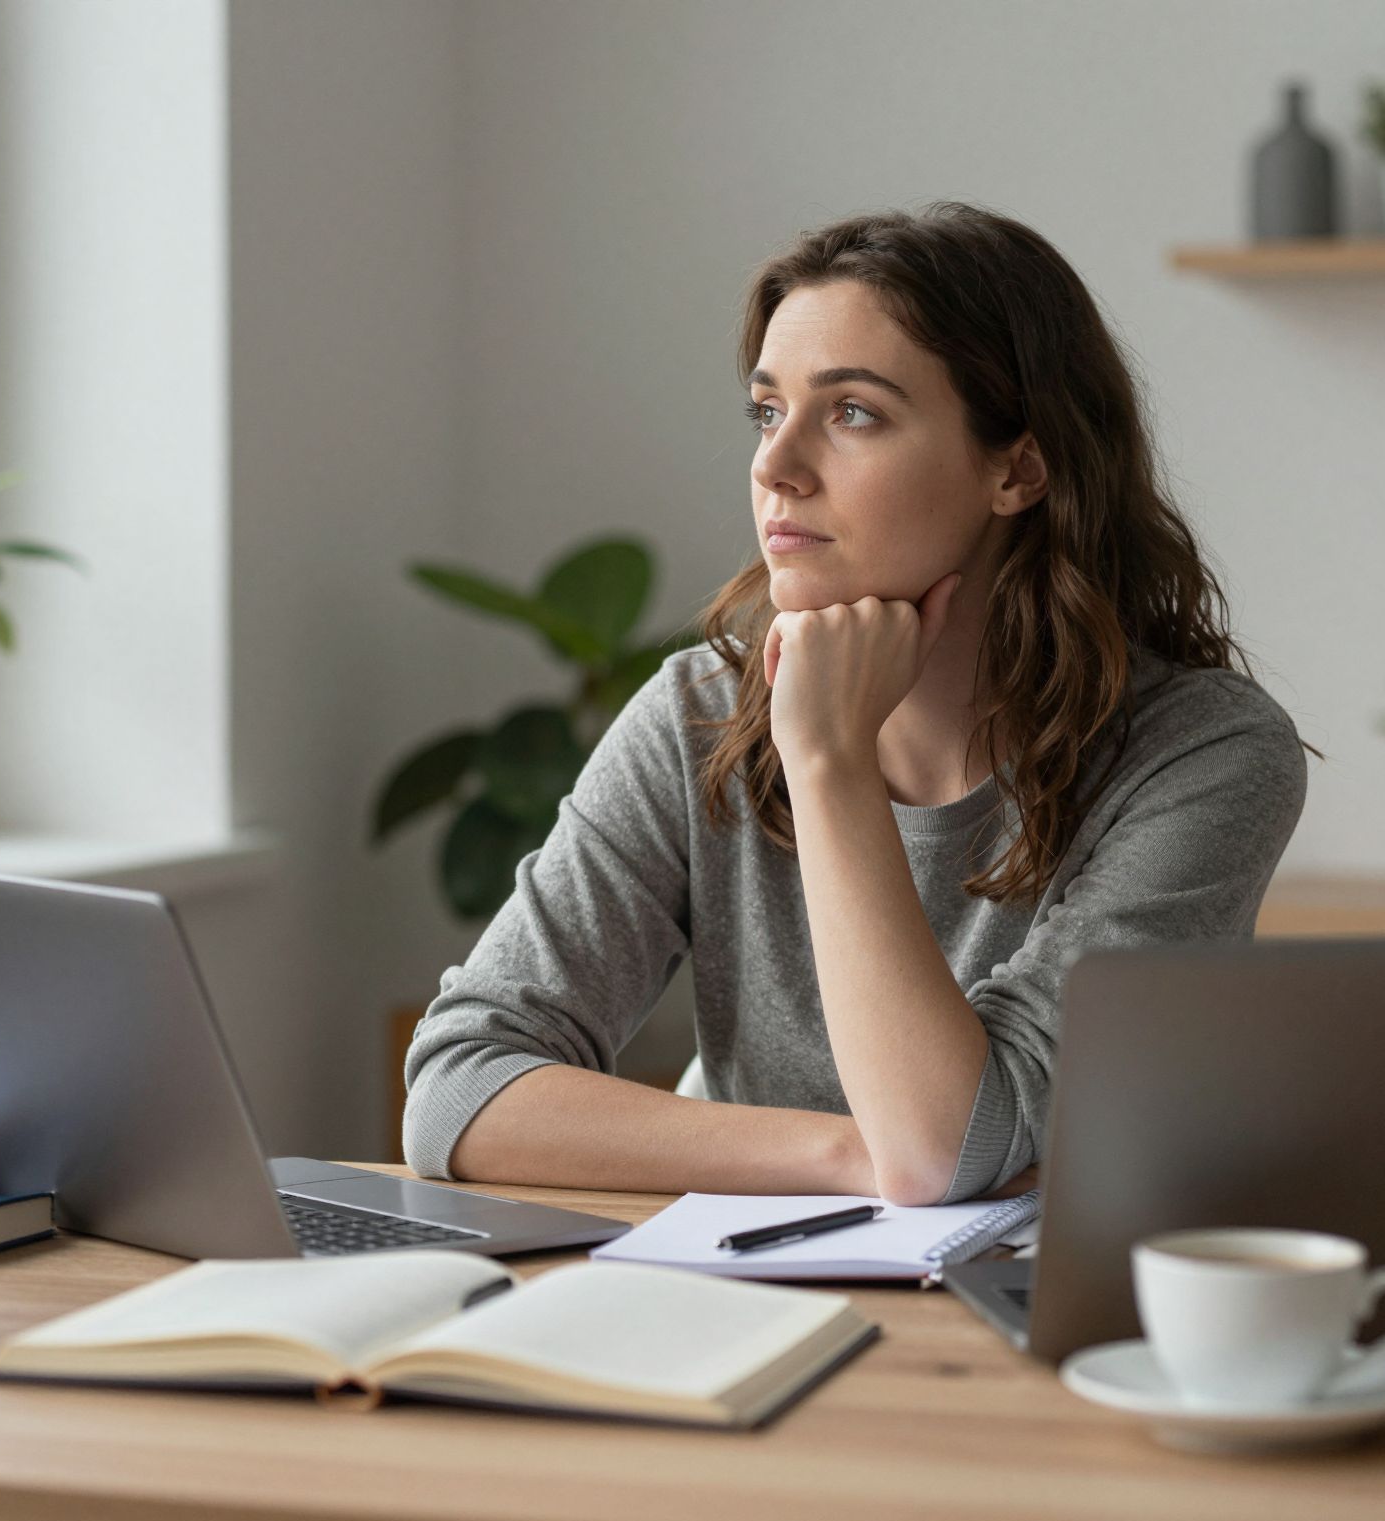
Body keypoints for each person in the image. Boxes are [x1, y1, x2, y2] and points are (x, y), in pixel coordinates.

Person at [402, 201, 1309, 1206]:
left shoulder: (1202, 755)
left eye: (851, 414)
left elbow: (944, 1146)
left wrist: (828, 761)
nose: (773, 467)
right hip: (742, 1309)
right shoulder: (694, 715)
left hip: (1026, 1333)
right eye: (765, 410)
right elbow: (455, 1090)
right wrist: (847, 1155)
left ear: (1017, 467)